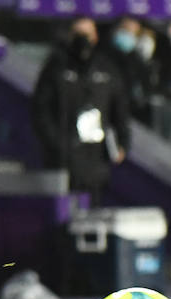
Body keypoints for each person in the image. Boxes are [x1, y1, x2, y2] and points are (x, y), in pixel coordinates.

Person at [30, 17, 130, 203]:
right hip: (63, 161)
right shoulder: (56, 69)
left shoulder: (107, 70)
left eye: (87, 34)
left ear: (96, 37)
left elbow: (120, 110)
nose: (83, 40)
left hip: (95, 161)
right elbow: (41, 110)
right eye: (78, 34)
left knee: (93, 210)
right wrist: (57, 144)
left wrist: (122, 142)